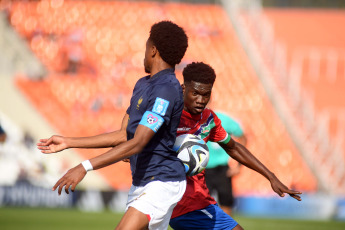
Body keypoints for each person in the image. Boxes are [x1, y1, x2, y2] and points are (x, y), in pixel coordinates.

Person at [37, 21, 189, 230]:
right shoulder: (143, 84)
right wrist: (69, 142)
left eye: (146, 47)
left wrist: (85, 166)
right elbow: (123, 135)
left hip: (161, 181)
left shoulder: (166, 90)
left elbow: (138, 142)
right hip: (142, 182)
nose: (144, 53)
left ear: (153, 50)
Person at [169, 62, 302, 230]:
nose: (201, 100)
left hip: (199, 200)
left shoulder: (209, 119)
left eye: (206, 95)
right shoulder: (169, 114)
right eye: (195, 93)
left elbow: (233, 147)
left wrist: (270, 176)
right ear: (183, 89)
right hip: (176, 200)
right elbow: (142, 138)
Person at [205, 113, 247, 216]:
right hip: (202, 169)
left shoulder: (223, 119)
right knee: (202, 207)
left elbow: (243, 138)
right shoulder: (194, 120)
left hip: (222, 170)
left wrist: (238, 166)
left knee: (226, 204)